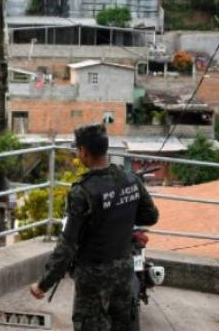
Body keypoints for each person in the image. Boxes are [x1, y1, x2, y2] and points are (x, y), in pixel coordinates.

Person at [30, 124, 160, 331]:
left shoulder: (82, 192)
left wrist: (43, 285)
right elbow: (151, 217)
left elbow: (67, 246)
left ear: (83, 151)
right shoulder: (131, 179)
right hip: (124, 272)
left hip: (92, 281)